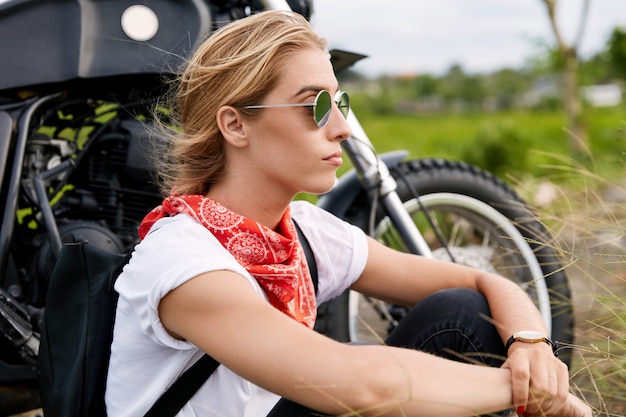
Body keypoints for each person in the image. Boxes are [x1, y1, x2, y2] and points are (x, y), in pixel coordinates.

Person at [105, 10, 592, 417]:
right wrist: (539, 395)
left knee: (462, 312)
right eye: (313, 106)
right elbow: (364, 387)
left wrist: (530, 345)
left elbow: (486, 285)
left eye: (339, 101)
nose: (340, 128)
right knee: (362, 370)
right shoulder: (184, 264)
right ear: (235, 125)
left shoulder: (303, 233)